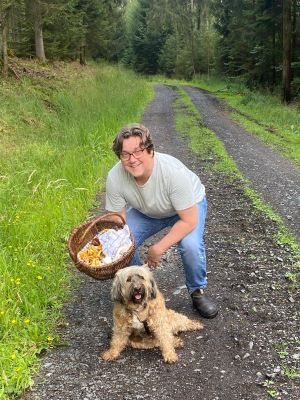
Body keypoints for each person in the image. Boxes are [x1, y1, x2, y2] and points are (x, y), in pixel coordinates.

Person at [105, 123, 218, 319]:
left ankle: (197, 292)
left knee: (190, 245)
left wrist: (158, 248)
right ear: (120, 157)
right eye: (125, 154)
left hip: (186, 208)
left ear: (150, 150)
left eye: (138, 152)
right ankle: (143, 290)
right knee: (122, 244)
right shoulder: (115, 176)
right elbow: (117, 221)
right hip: (147, 210)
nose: (132, 160)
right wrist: (110, 246)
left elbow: (190, 221)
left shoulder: (172, 173)